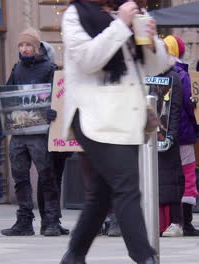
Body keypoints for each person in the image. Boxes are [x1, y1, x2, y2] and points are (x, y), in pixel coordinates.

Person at [60, 0, 170, 263]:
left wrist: (153, 43)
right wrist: (120, 24)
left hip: (126, 117)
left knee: (102, 193)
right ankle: (145, 257)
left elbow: (150, 68)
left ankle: (74, 255)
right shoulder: (77, 14)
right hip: (93, 116)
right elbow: (88, 60)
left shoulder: (127, 14)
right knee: (127, 185)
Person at [0, 27, 62, 237]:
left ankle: (51, 220)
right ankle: (24, 220)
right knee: (20, 178)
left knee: (47, 177)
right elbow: (7, 95)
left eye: (28, 45)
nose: (24, 49)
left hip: (39, 133)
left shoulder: (49, 68)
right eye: (21, 45)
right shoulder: (17, 69)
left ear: (36, 47)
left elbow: (59, 96)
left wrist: (54, 111)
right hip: (18, 133)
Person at [164, 35, 199, 236]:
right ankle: (186, 222)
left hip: (164, 133)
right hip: (184, 135)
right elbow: (188, 104)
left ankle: (171, 220)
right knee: (187, 176)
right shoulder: (182, 74)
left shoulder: (159, 71)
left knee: (170, 175)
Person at [149, 61, 184, 237]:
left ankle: (174, 222)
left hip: (165, 136)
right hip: (148, 136)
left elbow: (175, 110)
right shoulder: (146, 74)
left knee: (170, 180)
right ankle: (153, 221)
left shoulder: (173, 77)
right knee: (150, 179)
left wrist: (170, 134)